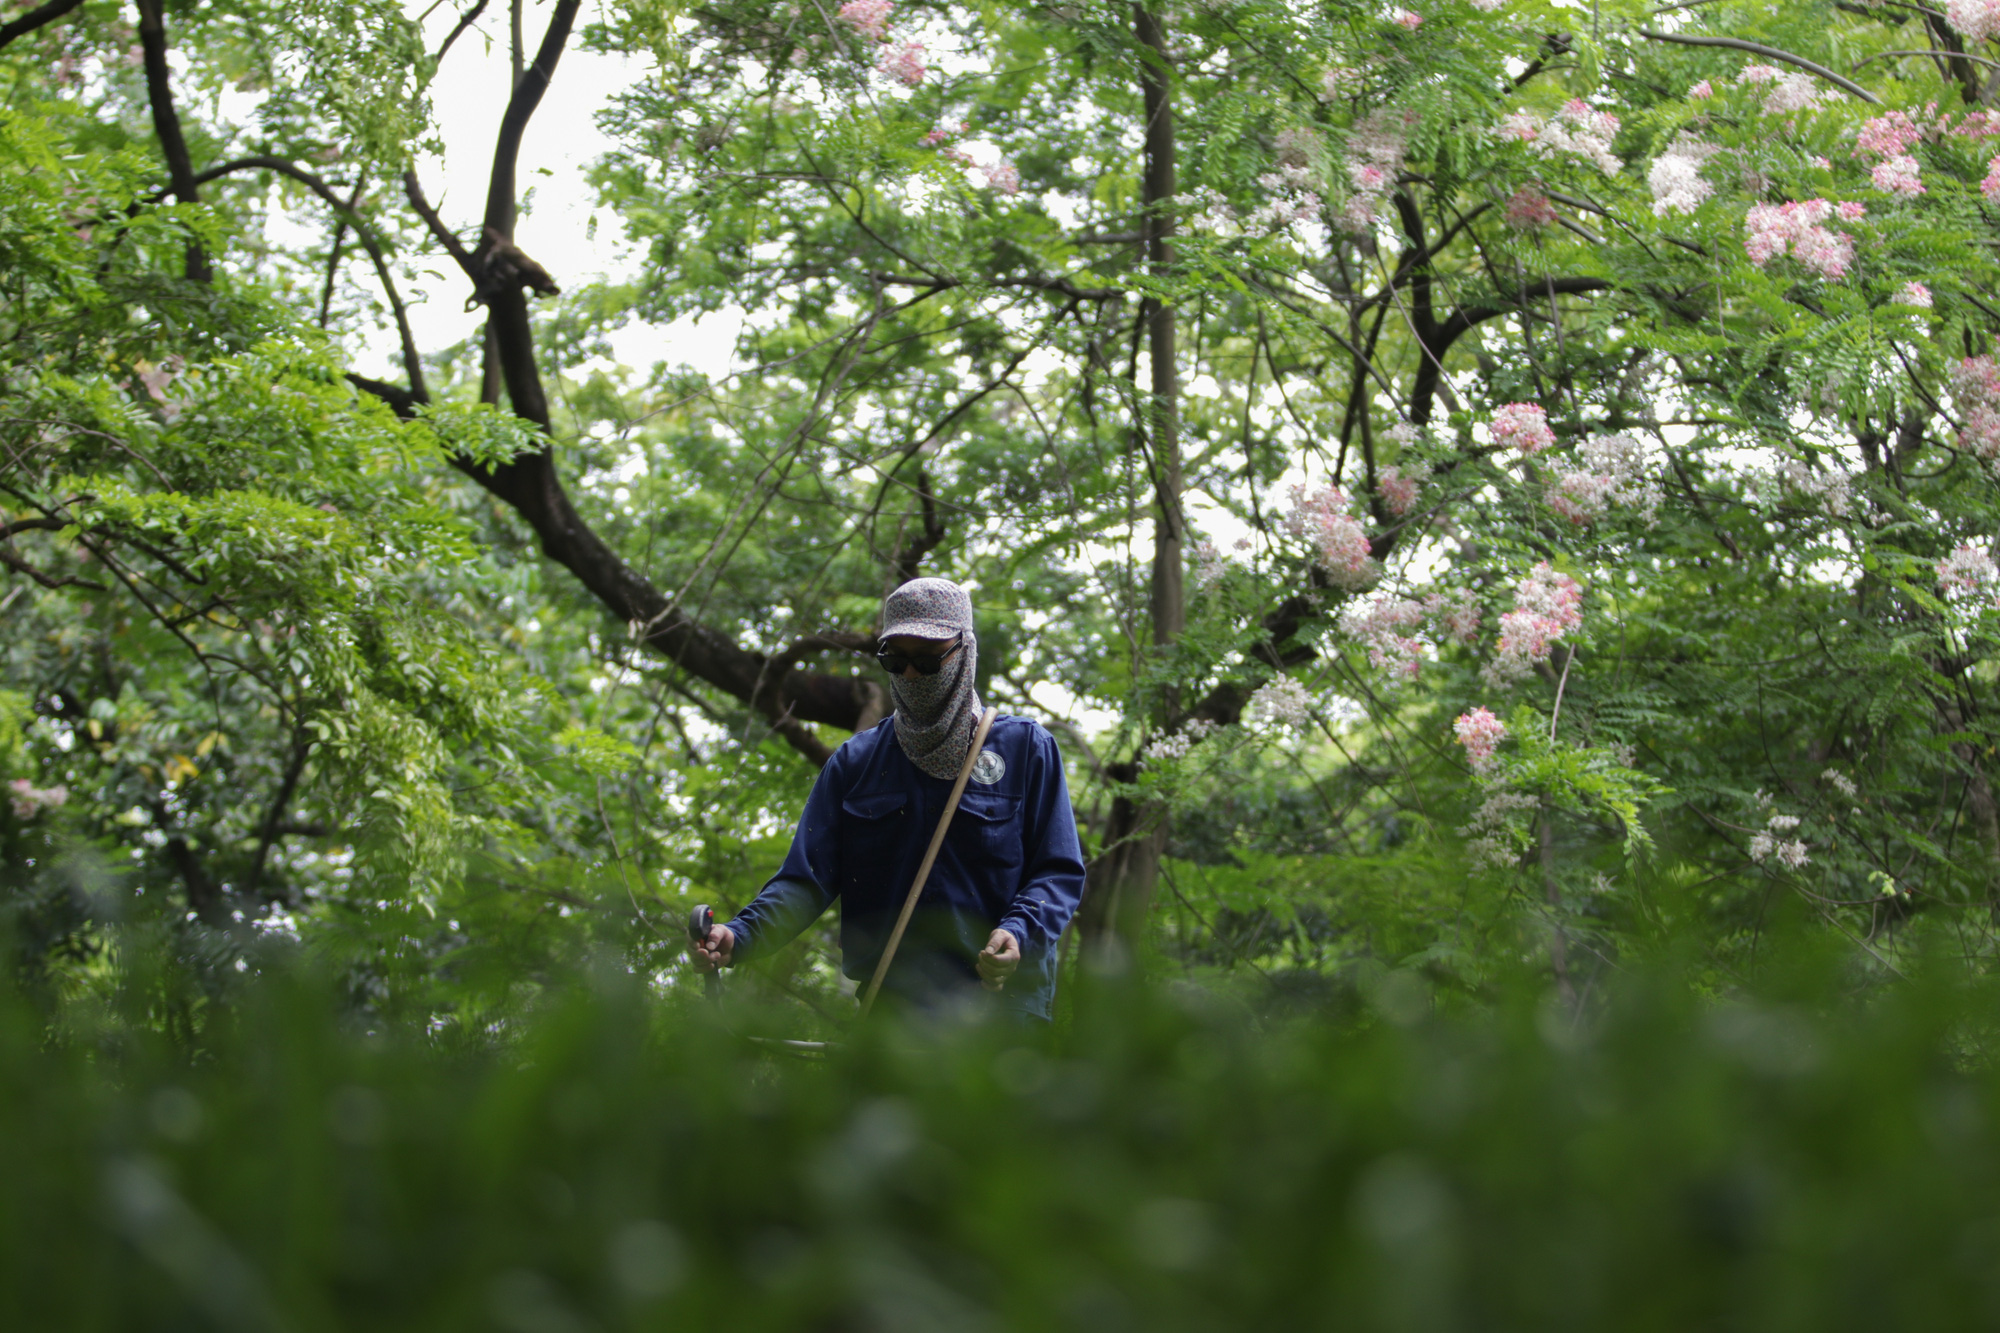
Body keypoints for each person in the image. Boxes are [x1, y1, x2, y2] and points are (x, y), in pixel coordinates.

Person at [687, 577, 1085, 1021]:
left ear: (964, 652)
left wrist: (1019, 933)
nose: (911, 675)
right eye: (895, 661)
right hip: (893, 1012)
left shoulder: (1026, 748)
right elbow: (806, 879)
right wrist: (740, 935)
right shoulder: (854, 763)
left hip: (1005, 1012)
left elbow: (1058, 871)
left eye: (927, 661)